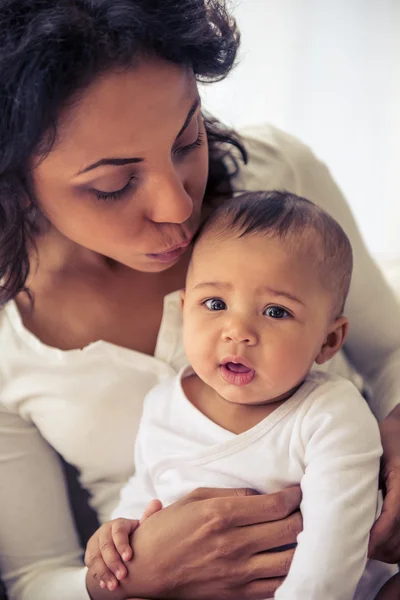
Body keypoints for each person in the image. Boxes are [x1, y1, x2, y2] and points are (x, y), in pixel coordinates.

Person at [0, 2, 399, 600]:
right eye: (114, 184)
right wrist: (125, 580)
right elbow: (34, 577)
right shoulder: (10, 341)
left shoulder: (279, 180)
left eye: (187, 140)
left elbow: (392, 349)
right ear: (16, 184)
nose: (177, 207)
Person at [84, 191, 398, 600]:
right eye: (215, 303)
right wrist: (117, 535)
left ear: (329, 340)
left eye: (275, 312)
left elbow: (331, 556)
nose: (238, 330)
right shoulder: (163, 404)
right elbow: (146, 493)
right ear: (184, 311)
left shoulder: (330, 415)